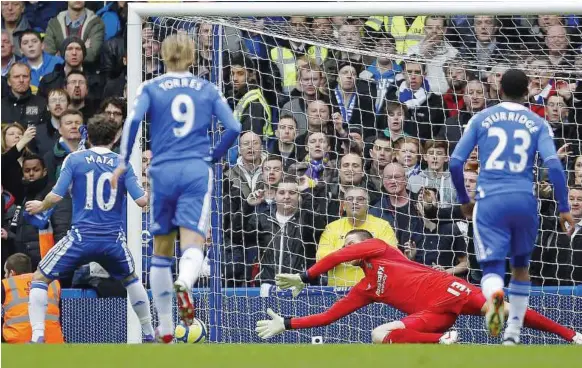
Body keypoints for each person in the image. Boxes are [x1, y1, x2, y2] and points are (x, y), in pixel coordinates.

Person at [111, 33, 241, 343]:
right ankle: (185, 280)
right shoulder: (207, 88)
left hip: (163, 169)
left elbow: (133, 122)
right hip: (196, 169)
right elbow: (234, 127)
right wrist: (213, 156)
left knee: (161, 250)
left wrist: (122, 161)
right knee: (193, 242)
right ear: (193, 57)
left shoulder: (150, 87)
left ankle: (166, 327)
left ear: (162, 56)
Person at [255, 230, 582, 345]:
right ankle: (444, 340)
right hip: (429, 316)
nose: (346, 246)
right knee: (379, 335)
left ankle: (571, 336)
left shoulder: (380, 248)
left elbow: (341, 254)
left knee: (502, 309)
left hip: (446, 287)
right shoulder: (367, 287)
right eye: (345, 242)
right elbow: (330, 316)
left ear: (364, 243)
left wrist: (306, 276)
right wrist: (287, 323)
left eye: (351, 241)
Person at [449, 69, 575, 345]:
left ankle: (495, 295)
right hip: (524, 200)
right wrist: (564, 206)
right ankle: (513, 334)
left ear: (500, 90)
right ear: (528, 90)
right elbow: (553, 165)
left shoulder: (480, 118)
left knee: (492, 268)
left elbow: (455, 163)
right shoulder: (537, 122)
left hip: (490, 199)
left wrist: (464, 200)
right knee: (521, 267)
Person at [24, 114, 155, 343]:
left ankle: (37, 336)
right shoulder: (123, 164)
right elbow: (142, 202)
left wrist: (40, 204)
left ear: (89, 137)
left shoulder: (75, 159)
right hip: (113, 241)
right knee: (132, 280)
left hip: (80, 238)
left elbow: (56, 195)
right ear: (115, 138)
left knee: (40, 278)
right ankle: (149, 334)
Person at [2, 253, 64, 343]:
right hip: (54, 342)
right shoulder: (54, 283)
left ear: (12, 273)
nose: (4, 276)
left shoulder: (5, 284)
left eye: (5, 272)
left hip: (18, 343)